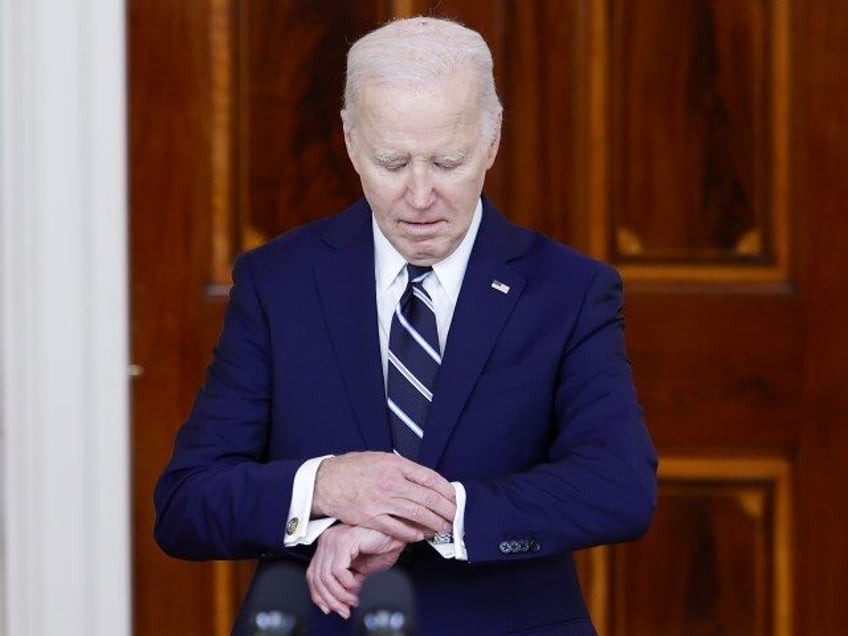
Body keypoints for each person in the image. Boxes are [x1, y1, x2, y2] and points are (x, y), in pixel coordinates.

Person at [154, 16, 657, 636]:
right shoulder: (277, 281)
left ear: (492, 140)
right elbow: (186, 504)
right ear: (351, 141)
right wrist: (326, 486)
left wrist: (424, 515)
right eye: (392, 162)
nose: (419, 197)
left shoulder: (571, 290)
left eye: (447, 161)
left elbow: (619, 487)